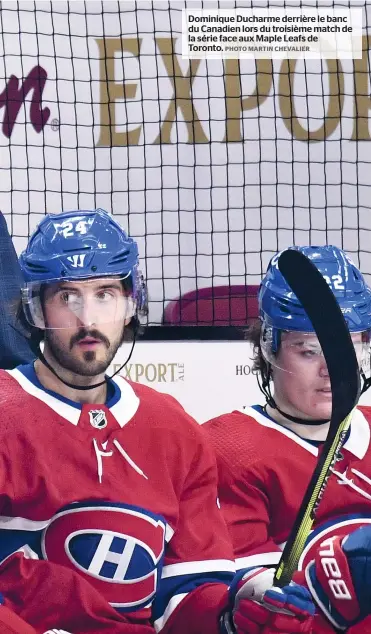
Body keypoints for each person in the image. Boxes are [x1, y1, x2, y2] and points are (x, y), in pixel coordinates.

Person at [0, 209, 315, 634]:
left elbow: (188, 588)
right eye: (67, 297)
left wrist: (233, 610)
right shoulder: (5, 412)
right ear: (35, 309)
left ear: (133, 303)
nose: (88, 318)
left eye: (105, 294)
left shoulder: (172, 429)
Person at [204, 245, 371, 634]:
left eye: (350, 347)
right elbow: (248, 602)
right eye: (309, 350)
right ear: (268, 344)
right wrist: (332, 581)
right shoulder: (226, 449)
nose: (332, 368)